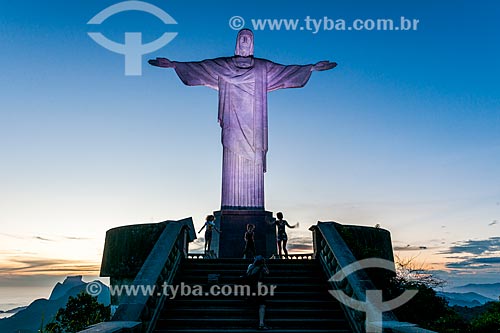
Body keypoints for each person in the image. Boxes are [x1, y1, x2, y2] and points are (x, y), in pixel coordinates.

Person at [148, 29, 337, 210]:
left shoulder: (263, 67)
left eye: (249, 38)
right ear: (237, 43)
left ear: (252, 44)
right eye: (242, 38)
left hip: (254, 125)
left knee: (253, 158)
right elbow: (201, 68)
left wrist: (310, 68)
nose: (245, 41)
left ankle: (253, 206)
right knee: (231, 155)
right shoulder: (224, 65)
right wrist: (174, 65)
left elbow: (286, 72)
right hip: (232, 121)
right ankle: (231, 206)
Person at [244, 255, 270, 330]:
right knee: (262, 305)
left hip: (250, 288)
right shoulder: (262, 268)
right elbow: (268, 273)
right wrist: (264, 265)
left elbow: (247, 274)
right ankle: (261, 323)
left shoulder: (250, 266)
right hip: (258, 288)